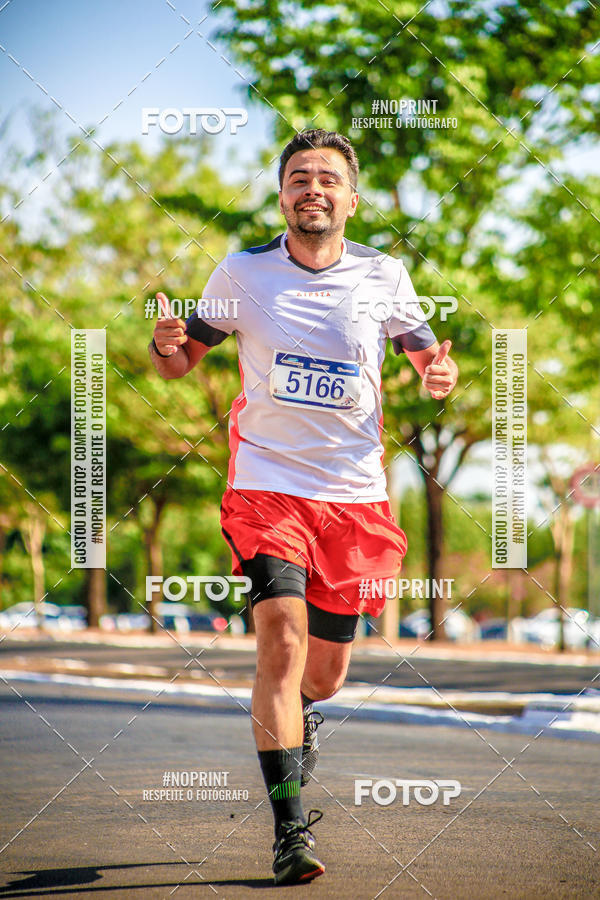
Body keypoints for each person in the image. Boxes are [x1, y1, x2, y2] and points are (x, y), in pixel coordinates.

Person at [149, 129, 458, 885]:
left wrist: (439, 372)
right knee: (280, 645)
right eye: (297, 177)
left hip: (353, 498)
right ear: (282, 194)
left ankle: (305, 715)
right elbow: (182, 362)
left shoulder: (384, 275)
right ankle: (289, 832)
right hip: (266, 488)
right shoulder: (242, 273)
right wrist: (165, 345)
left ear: (351, 198)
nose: (311, 188)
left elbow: (426, 357)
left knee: (325, 675)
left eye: (327, 178)